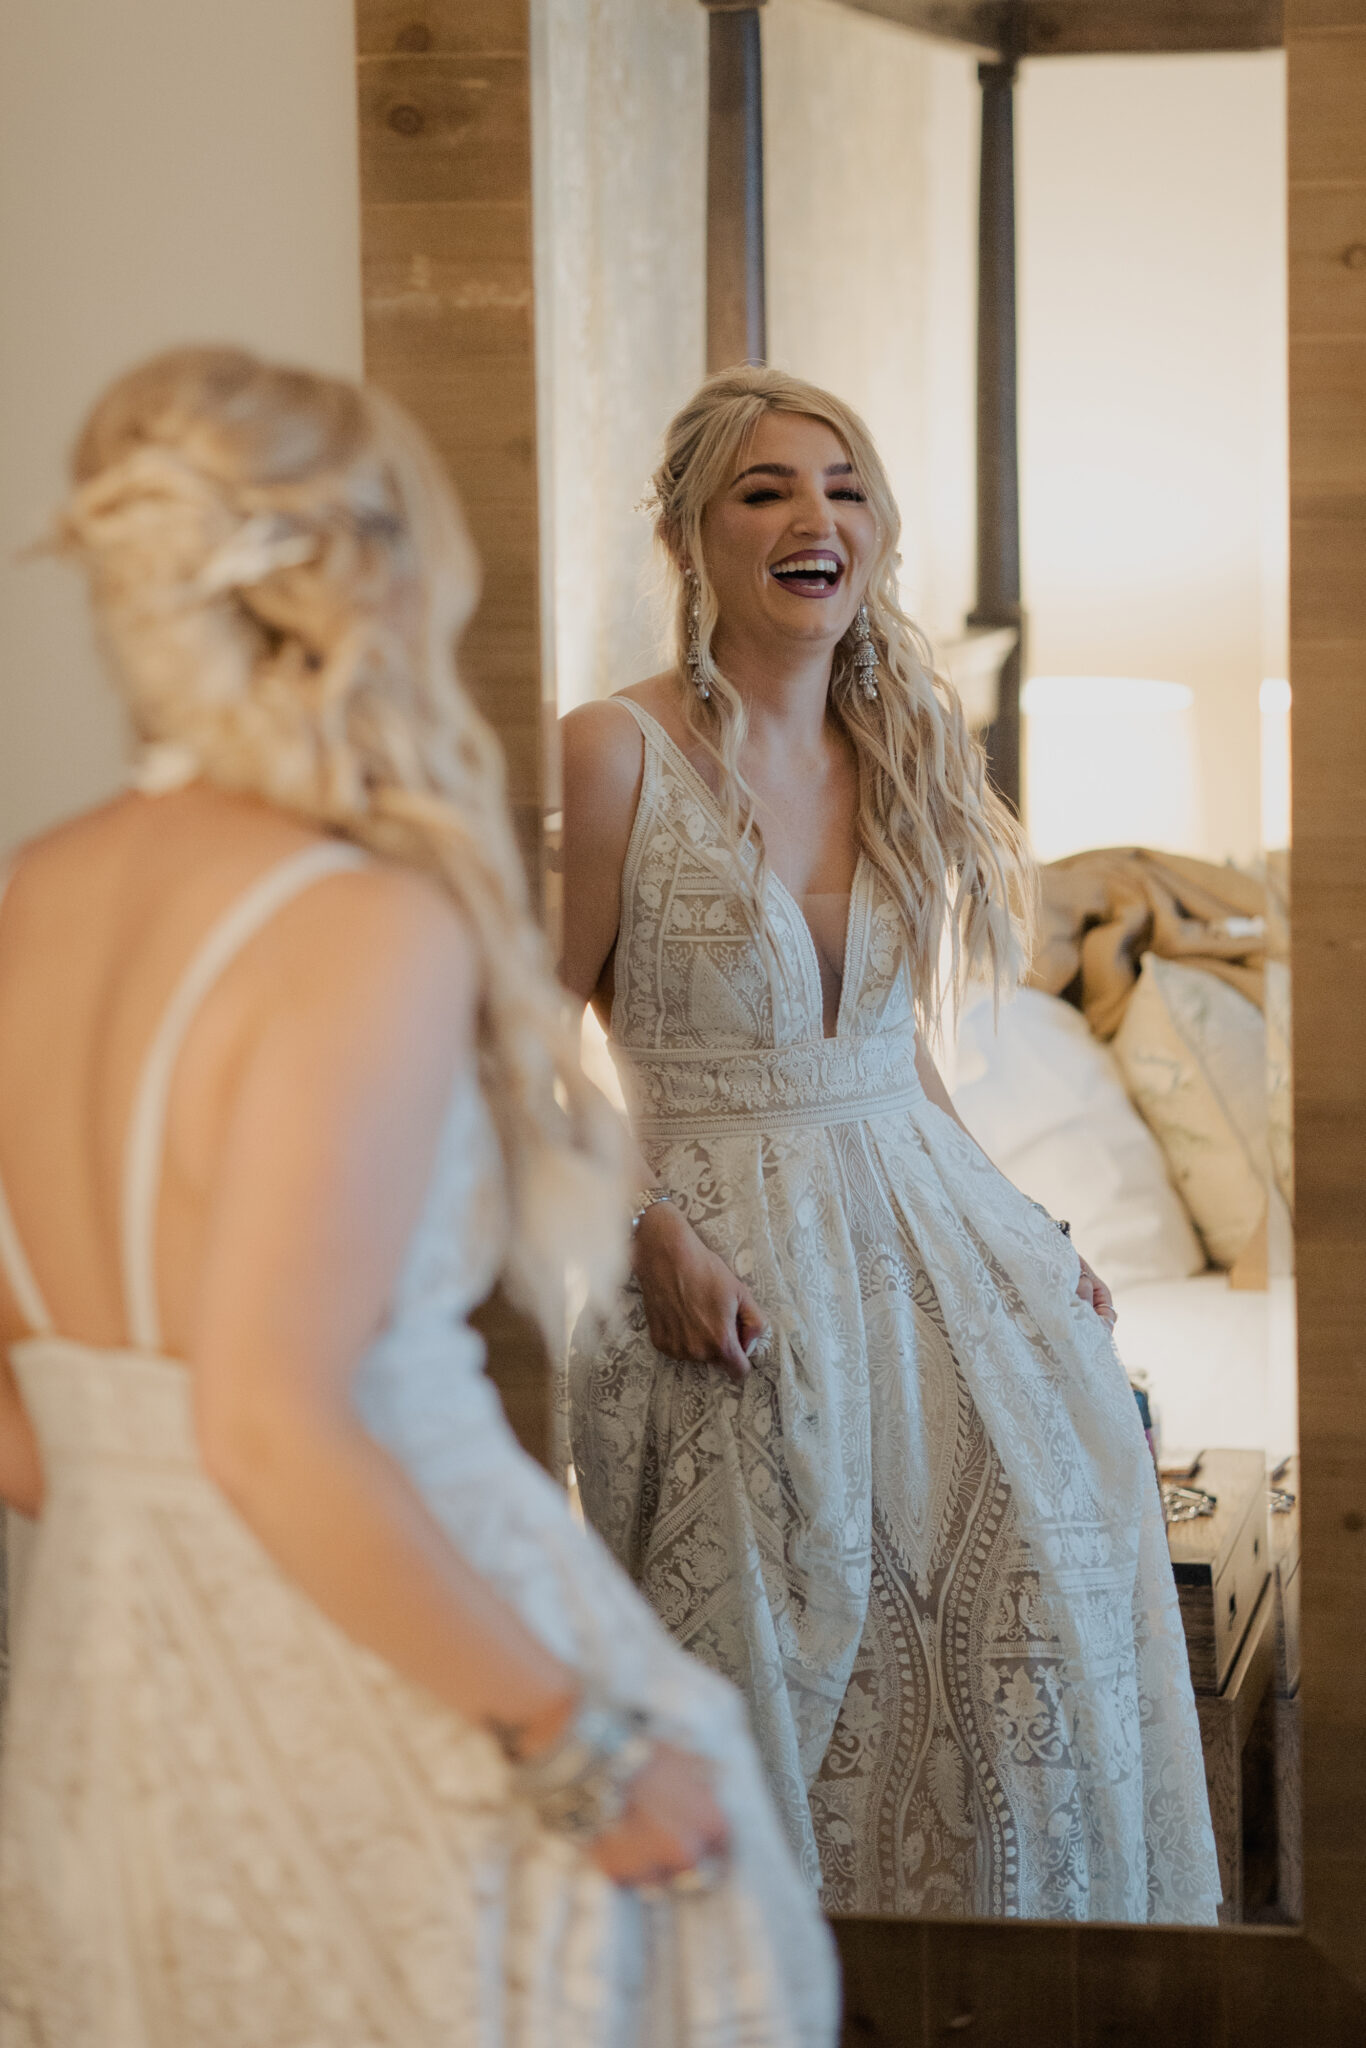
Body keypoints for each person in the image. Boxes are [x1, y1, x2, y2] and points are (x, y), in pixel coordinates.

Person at [0, 346, 839, 2046]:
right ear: (372, 574)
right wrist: (576, 1744)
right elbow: (267, 1420)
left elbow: (31, 1428)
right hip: (404, 1684)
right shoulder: (352, 921)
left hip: (111, 1702)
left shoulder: (36, 891)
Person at [561, 366, 1221, 1924]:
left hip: (923, 1239)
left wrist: (1029, 1230)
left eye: (843, 488)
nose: (814, 519)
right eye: (765, 490)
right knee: (771, 1673)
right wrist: (649, 1226)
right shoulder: (612, 754)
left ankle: (1023, 1984)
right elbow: (512, 1039)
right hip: (718, 1269)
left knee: (1039, 1621)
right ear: (687, 534)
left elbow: (890, 1055)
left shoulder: (902, 746)